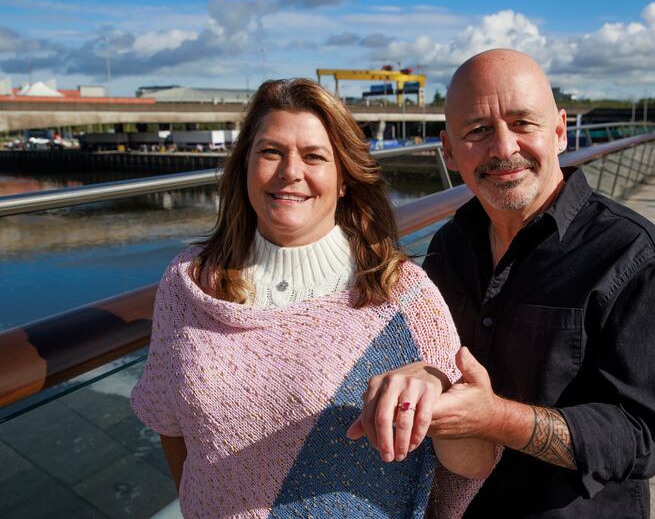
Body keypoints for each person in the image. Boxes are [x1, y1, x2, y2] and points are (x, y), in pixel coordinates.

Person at [351, 49, 655, 517]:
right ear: (448, 151)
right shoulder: (449, 246)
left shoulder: (634, 257)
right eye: (477, 131)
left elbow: (642, 437)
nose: (504, 148)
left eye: (522, 123)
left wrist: (495, 419)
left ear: (559, 131)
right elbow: (431, 358)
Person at [130, 78, 494, 518]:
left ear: (343, 180)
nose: (290, 171)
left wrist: (436, 386)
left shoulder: (402, 295)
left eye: (314, 156)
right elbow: (173, 429)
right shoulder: (188, 283)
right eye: (270, 152)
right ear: (244, 165)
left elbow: (472, 461)